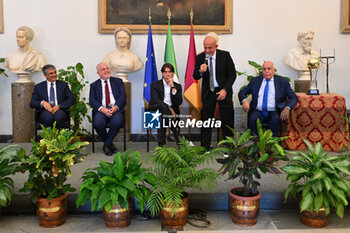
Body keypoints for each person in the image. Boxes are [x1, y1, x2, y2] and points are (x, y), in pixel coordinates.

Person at [193, 32, 236, 151]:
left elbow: (232, 75)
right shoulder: (200, 57)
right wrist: (201, 71)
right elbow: (195, 76)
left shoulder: (225, 56)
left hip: (223, 91)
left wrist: (225, 90)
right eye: (205, 47)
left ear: (216, 46)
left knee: (227, 121)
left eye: (210, 48)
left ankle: (228, 148)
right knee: (206, 121)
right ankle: (205, 147)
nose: (207, 50)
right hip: (208, 92)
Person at [238, 61, 298, 137]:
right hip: (258, 110)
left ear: (274, 70)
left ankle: (273, 146)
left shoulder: (282, 82)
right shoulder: (255, 81)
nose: (266, 71)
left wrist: (287, 107)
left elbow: (294, 98)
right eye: (264, 69)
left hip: (274, 110)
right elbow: (242, 92)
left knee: (275, 121)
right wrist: (244, 101)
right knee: (253, 120)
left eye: (269, 69)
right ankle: (255, 145)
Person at [89, 62, 126, 156]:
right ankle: (109, 143)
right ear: (98, 73)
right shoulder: (94, 85)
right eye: (103, 69)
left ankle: (107, 144)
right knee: (98, 123)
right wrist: (102, 109)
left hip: (116, 109)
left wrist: (115, 107)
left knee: (117, 122)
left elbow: (123, 96)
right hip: (102, 110)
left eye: (107, 68)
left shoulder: (118, 81)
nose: (106, 70)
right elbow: (92, 100)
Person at [30, 64, 74, 128]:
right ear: (45, 75)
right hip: (44, 111)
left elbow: (71, 99)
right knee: (48, 117)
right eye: (51, 73)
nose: (54, 75)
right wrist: (43, 103)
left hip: (60, 110)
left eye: (55, 72)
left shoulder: (63, 85)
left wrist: (59, 106)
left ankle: (59, 137)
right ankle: (49, 137)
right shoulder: (38, 87)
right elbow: (32, 103)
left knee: (59, 117)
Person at [149, 63, 182, 146]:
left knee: (163, 117)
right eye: (165, 72)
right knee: (163, 109)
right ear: (162, 73)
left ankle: (161, 145)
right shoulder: (155, 84)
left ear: (173, 73)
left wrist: (173, 87)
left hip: (167, 112)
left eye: (170, 72)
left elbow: (179, 102)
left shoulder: (177, 86)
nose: (168, 74)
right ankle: (177, 137)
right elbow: (156, 100)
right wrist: (169, 109)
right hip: (156, 108)